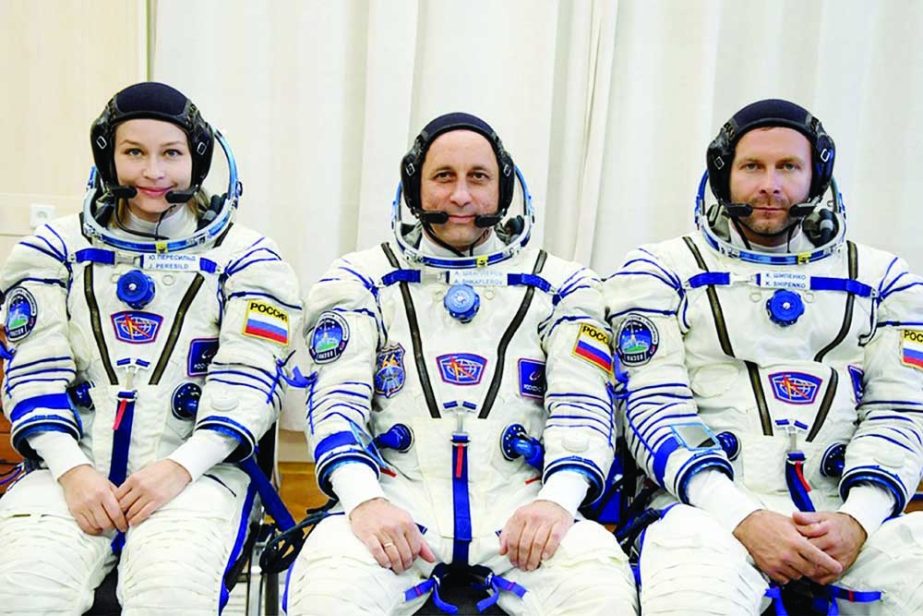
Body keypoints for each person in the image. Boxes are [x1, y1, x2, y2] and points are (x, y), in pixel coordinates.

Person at [285, 113, 638, 615]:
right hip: (391, 506)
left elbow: (583, 406)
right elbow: (336, 402)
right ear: (415, 188)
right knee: (327, 600)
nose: (461, 197)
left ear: (503, 189)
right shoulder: (360, 279)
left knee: (600, 596)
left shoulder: (563, 286)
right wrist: (363, 500)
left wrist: (557, 501)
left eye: (479, 178)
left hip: (524, 510)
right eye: (443, 177)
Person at [604, 99, 923, 614]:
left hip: (843, 517)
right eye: (752, 166)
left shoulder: (885, 280)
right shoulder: (661, 271)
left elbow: (900, 411)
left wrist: (859, 519)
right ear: (723, 175)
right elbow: (654, 408)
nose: (770, 184)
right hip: (707, 515)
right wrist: (742, 517)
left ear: (816, 177)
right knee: (693, 595)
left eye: (789, 167)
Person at [0, 82, 301, 614]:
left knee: (171, 596)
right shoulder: (54, 251)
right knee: (25, 592)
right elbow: (33, 371)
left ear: (198, 160)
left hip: (193, 472)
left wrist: (179, 469)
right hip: (69, 469)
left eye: (171, 154)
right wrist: (73, 471)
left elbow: (249, 382)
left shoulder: (249, 257)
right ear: (107, 158)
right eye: (134, 153)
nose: (153, 173)